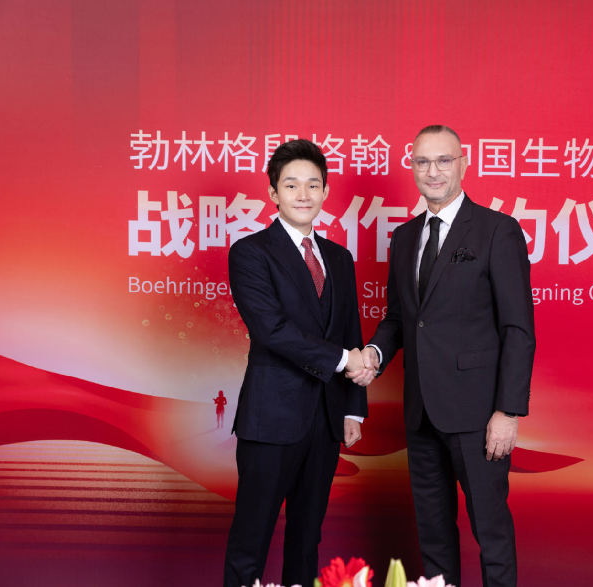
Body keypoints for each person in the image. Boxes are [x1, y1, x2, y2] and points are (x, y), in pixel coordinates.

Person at [361, 125, 535, 587]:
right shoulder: (404, 237)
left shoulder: (497, 230)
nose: (433, 171)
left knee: (491, 533)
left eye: (443, 160)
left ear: (463, 163)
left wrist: (508, 411)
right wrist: (375, 352)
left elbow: (518, 329)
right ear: (412, 167)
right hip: (420, 413)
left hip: (479, 415)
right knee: (433, 537)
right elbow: (399, 318)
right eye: (422, 162)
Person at [223, 139, 374, 587]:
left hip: (325, 420)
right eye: (291, 185)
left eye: (313, 185)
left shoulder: (340, 258)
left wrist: (353, 408)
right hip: (270, 420)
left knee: (307, 539)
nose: (303, 194)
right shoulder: (251, 253)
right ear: (273, 193)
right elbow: (272, 331)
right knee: (250, 539)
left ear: (326, 191)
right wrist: (345, 360)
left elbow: (350, 330)